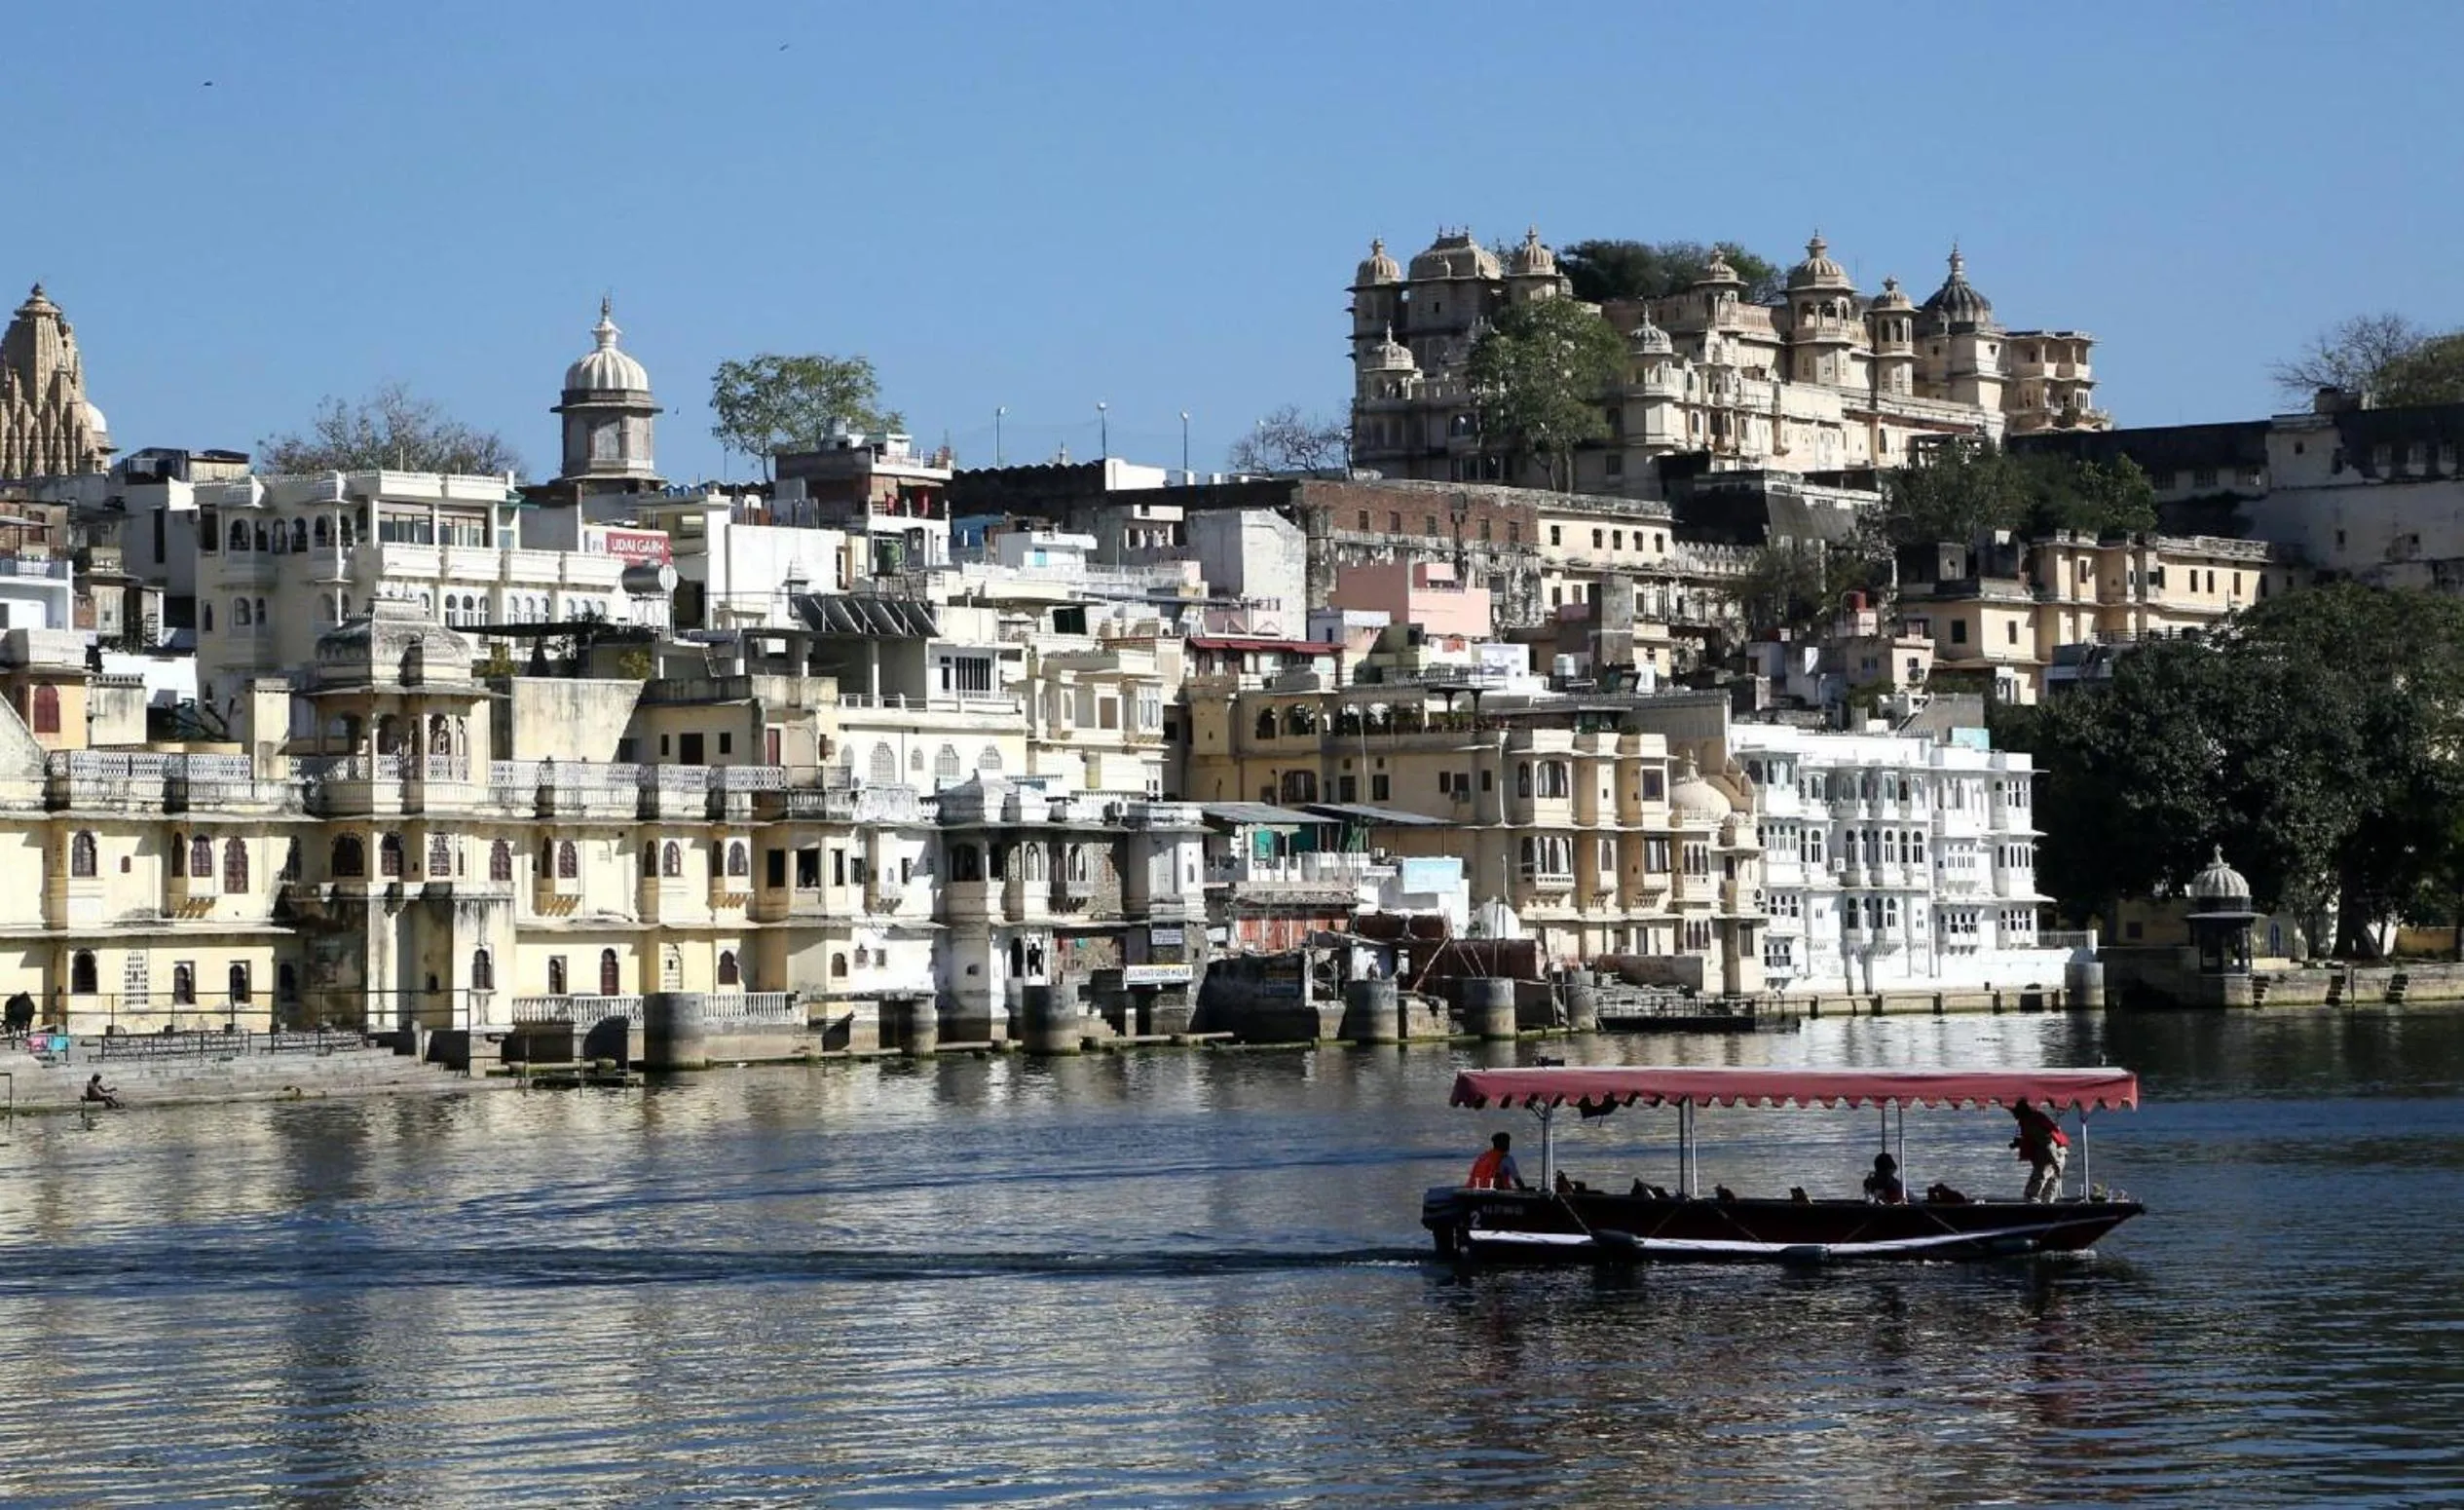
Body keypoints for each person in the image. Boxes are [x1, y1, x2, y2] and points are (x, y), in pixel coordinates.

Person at [2011, 1101, 2069, 1202]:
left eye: (2014, 1111)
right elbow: (2036, 1139)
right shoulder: (2032, 1119)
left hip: (2050, 1156)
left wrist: (2055, 1163)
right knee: (2049, 1188)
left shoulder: (2031, 1123)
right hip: (2054, 1154)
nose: (2012, 1113)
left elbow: (2049, 1143)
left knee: (2035, 1188)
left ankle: (2034, 1206)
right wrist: (2020, 1143)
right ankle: (2047, 1206)